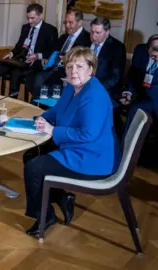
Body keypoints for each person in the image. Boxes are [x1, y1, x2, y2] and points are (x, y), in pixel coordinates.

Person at [23, 47, 120, 235]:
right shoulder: (72, 87)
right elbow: (57, 110)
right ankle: (60, 196)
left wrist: (52, 130)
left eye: (79, 66)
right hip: (76, 146)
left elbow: (88, 135)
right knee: (31, 154)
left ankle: (45, 216)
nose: (73, 71)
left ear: (91, 69)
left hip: (93, 157)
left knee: (34, 168)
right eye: (69, 66)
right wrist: (41, 118)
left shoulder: (95, 95)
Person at [0, 3, 58, 98]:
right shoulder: (25, 27)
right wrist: (11, 53)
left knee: (16, 72)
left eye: (32, 18)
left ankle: (12, 99)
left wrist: (37, 56)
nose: (29, 21)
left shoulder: (50, 30)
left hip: (35, 63)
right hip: (20, 60)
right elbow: (19, 46)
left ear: (40, 15)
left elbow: (52, 51)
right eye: (28, 18)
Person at [32, 9, 91, 99]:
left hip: (68, 73)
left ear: (80, 23)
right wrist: (47, 59)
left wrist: (67, 59)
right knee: (37, 79)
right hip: (54, 68)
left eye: (70, 23)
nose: (67, 26)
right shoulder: (63, 37)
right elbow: (53, 52)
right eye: (65, 22)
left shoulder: (87, 39)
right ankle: (37, 106)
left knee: (50, 87)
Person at [120, 34, 158, 135]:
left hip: (155, 97)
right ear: (147, 49)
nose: (157, 59)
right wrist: (129, 92)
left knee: (136, 108)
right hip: (139, 92)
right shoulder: (140, 51)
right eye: (154, 56)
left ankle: (127, 146)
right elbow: (133, 74)